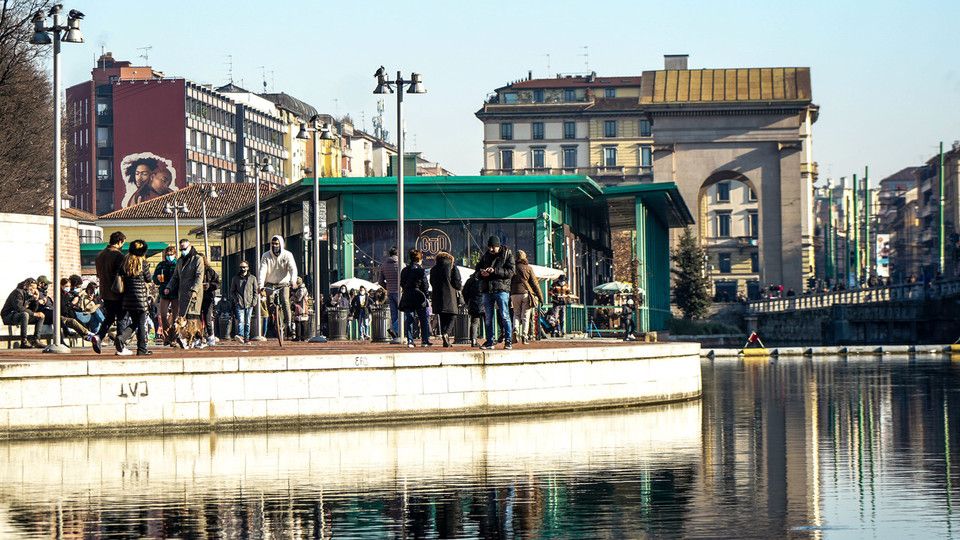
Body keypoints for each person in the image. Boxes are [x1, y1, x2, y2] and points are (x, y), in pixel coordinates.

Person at [474, 236, 515, 350]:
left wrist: (495, 271)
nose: (491, 249)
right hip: (487, 289)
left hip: (501, 289)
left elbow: (511, 272)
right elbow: (476, 271)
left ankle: (508, 341)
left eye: (493, 247)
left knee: (505, 315)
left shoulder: (507, 255)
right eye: (489, 247)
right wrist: (481, 273)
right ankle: (489, 341)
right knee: (488, 317)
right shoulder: (485, 256)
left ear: (498, 246)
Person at [94, 231, 128, 355]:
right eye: (123, 243)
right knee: (121, 318)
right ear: (119, 242)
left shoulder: (100, 255)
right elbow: (123, 274)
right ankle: (120, 346)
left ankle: (99, 336)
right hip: (117, 291)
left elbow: (98, 274)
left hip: (105, 291)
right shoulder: (118, 255)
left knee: (109, 317)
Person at [166, 239, 205, 347]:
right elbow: (175, 277)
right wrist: (168, 287)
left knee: (193, 318)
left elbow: (199, 276)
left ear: (190, 247)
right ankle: (184, 339)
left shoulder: (198, 259)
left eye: (184, 248)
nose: (183, 251)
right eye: (181, 249)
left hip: (194, 294)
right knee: (183, 318)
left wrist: (195, 290)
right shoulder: (180, 261)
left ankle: (198, 339)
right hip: (182, 294)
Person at [258, 235, 297, 335]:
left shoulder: (287, 255)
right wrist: (260, 284)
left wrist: (293, 281)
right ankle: (273, 318)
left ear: (281, 244)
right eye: (273, 244)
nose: (275, 246)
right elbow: (262, 270)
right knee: (269, 302)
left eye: (277, 244)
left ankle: (289, 323)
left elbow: (292, 268)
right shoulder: (266, 255)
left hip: (284, 283)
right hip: (270, 282)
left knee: (285, 300)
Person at [119, 239, 153, 356]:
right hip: (141, 299)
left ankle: (122, 338)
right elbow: (148, 279)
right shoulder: (143, 263)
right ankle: (142, 349)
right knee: (141, 324)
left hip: (128, 298)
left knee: (135, 322)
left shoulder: (125, 262)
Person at [399, 249, 432, 348]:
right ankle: (424, 340)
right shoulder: (420, 271)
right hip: (419, 296)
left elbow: (402, 283)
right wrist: (427, 297)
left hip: (408, 295)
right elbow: (425, 285)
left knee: (409, 319)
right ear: (419, 259)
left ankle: (410, 340)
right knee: (423, 319)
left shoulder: (405, 270)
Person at [509, 250, 544, 345]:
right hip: (525, 293)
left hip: (514, 293)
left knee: (516, 314)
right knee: (525, 316)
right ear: (525, 257)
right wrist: (541, 297)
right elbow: (535, 284)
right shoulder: (528, 268)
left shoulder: (512, 268)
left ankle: (515, 330)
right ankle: (524, 336)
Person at [429, 251, 463, 348]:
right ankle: (446, 333)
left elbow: (432, 282)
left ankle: (446, 340)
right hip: (450, 295)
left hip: (437, 296)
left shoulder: (433, 269)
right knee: (453, 315)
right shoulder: (452, 267)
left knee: (442, 317)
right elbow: (457, 282)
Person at [1, 278, 45, 349]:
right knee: (25, 314)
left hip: (19, 315)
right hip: (8, 316)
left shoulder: (29, 294)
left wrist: (36, 299)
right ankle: (24, 341)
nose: (33, 290)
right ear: (26, 286)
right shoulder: (18, 292)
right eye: (32, 287)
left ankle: (36, 340)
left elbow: (33, 310)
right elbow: (19, 308)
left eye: (35, 288)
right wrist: (34, 314)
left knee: (41, 316)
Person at [152, 245, 178, 344]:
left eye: (171, 254)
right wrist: (157, 279)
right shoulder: (161, 265)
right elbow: (154, 278)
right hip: (164, 293)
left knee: (176, 317)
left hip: (176, 293)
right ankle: (167, 336)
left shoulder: (178, 264)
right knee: (162, 315)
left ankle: (174, 337)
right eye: (167, 254)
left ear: (175, 254)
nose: (169, 256)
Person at [377, 247, 402, 344]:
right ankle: (394, 329)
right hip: (399, 292)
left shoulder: (384, 265)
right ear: (397, 254)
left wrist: (387, 287)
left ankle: (396, 335)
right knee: (403, 314)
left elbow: (380, 281)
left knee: (394, 314)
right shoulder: (400, 264)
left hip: (390, 292)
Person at [229, 260, 258, 343]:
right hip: (240, 303)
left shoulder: (252, 278)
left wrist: (254, 301)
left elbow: (255, 291)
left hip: (249, 303)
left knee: (247, 321)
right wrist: (236, 300)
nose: (242, 269)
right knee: (241, 321)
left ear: (247, 268)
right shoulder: (235, 278)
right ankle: (241, 336)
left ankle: (247, 337)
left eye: (244, 267)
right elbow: (232, 291)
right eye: (241, 267)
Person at [200, 256, 221, 346]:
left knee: (208, 319)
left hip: (208, 297)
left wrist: (209, 285)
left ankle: (211, 336)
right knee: (198, 319)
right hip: (197, 298)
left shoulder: (209, 271)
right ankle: (200, 337)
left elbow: (217, 283)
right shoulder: (193, 271)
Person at [462, 274, 484, 347]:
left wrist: (467, 301)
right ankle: (490, 339)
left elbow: (464, 292)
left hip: (473, 303)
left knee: (474, 322)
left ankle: (473, 340)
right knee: (488, 322)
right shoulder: (485, 279)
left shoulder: (470, 280)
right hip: (484, 303)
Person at [291, 276, 310, 341]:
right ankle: (302, 337)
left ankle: (300, 337)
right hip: (302, 307)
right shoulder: (302, 288)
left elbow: (299, 299)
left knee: (300, 323)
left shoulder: (301, 289)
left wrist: (294, 296)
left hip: (301, 307)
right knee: (302, 323)